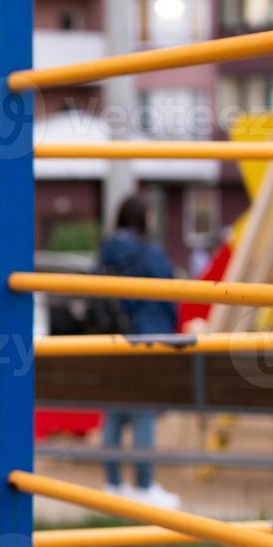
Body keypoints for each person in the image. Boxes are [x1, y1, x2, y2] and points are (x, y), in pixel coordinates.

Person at [97, 195, 181, 509]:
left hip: (112, 342)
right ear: (142, 218)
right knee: (143, 413)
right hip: (146, 339)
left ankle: (113, 482)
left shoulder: (106, 251)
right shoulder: (150, 254)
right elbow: (168, 297)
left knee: (116, 414)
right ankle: (144, 485)